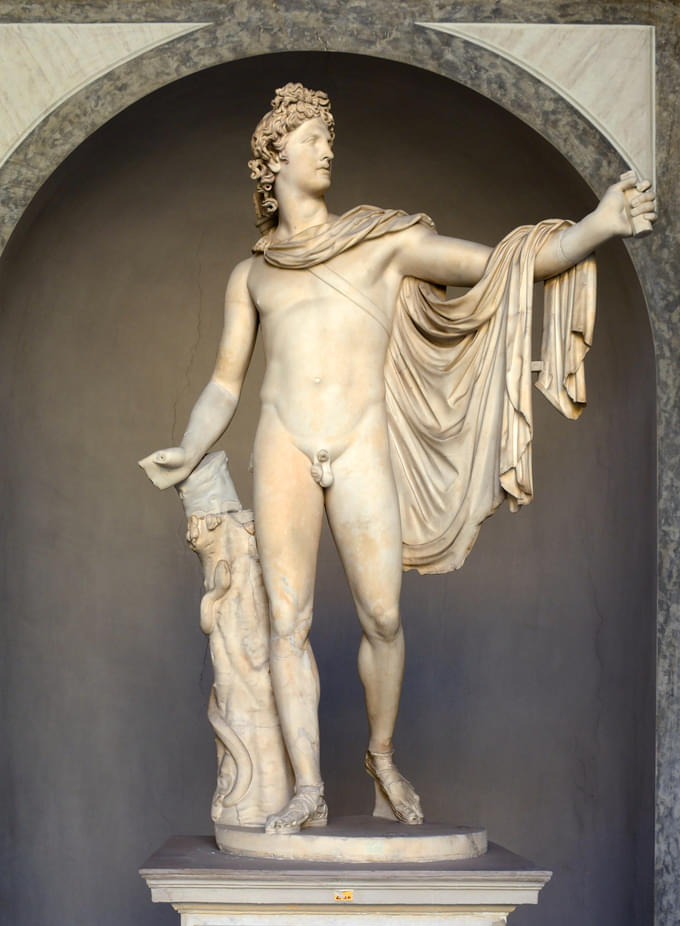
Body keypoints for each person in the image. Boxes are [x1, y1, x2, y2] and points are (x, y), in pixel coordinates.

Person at [140, 83, 656, 835]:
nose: (328, 147)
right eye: (313, 135)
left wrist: (597, 226)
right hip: (282, 441)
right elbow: (225, 381)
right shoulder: (250, 275)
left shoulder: (384, 241)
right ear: (274, 154)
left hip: (360, 442)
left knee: (383, 615)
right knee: (288, 621)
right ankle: (308, 786)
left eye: (327, 134)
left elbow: (507, 264)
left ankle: (381, 755)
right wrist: (190, 445)